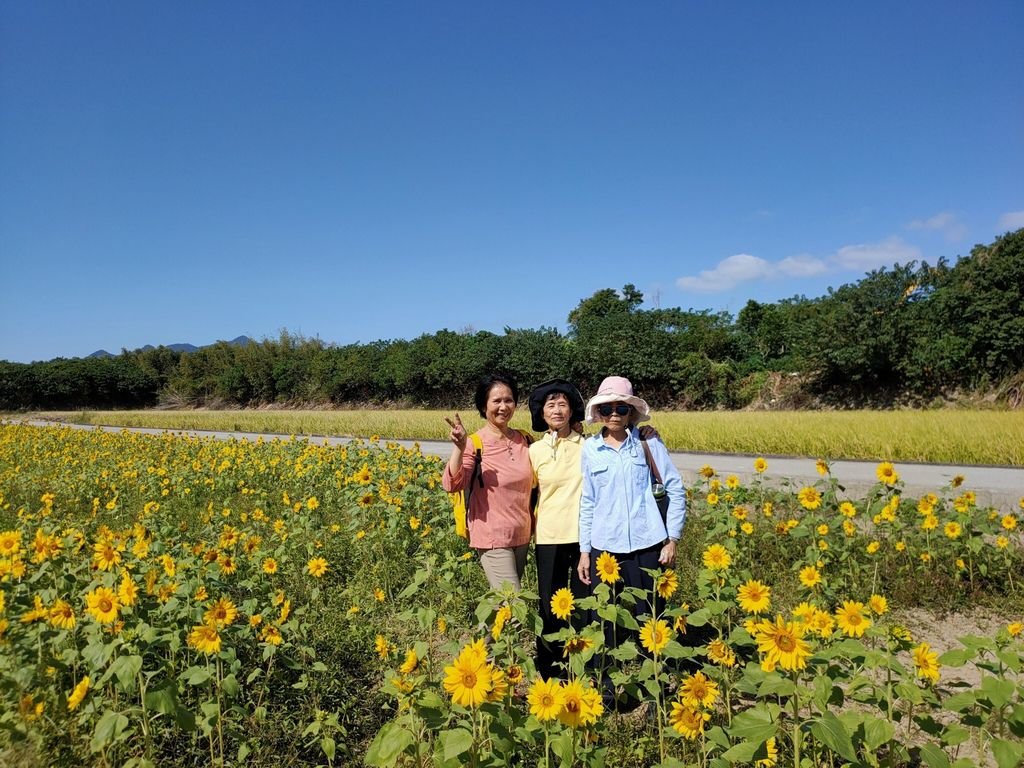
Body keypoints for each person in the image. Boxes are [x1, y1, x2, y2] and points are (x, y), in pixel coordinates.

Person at [576, 375, 686, 642]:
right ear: (598, 412)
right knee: (603, 614)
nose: (614, 414)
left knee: (651, 613)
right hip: (605, 545)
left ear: (631, 412)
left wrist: (672, 539)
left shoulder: (648, 443)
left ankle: (657, 671)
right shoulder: (591, 449)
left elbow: (675, 489)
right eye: (607, 408)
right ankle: (606, 678)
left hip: (646, 542)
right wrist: (584, 551)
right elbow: (588, 501)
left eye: (621, 408)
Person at [443, 373, 533, 591]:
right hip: (492, 536)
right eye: (497, 401)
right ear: (484, 406)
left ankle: (487, 625)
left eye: (509, 400)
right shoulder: (475, 443)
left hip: (521, 533)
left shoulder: (525, 439)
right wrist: (459, 447)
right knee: (513, 601)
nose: (503, 406)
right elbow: (452, 484)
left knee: (500, 603)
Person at [527, 378, 590, 679]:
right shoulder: (535, 451)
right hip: (548, 537)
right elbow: (527, 492)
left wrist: (643, 433)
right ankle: (551, 671)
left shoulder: (588, 447)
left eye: (562, 403)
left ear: (572, 411)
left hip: (583, 540)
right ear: (541, 413)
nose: (556, 409)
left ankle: (582, 665)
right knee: (549, 606)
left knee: (581, 605)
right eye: (550, 404)